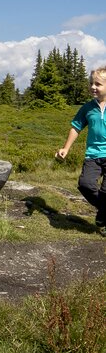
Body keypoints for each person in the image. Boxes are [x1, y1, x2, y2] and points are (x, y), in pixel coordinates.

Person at [55, 66, 106, 237]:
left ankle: (102, 217)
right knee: (85, 185)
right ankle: (104, 211)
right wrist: (66, 148)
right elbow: (76, 127)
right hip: (93, 155)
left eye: (98, 84)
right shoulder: (87, 108)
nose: (93, 87)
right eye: (91, 83)